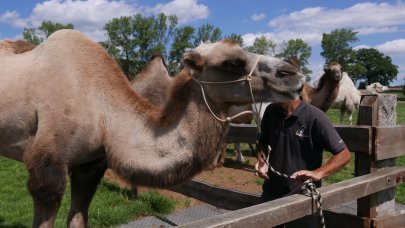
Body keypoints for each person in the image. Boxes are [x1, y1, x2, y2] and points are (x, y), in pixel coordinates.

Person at [255, 97, 351, 228]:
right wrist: (262, 161)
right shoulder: (271, 111)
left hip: (303, 198)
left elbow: (344, 154)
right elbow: (262, 142)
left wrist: (318, 173)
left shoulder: (315, 116)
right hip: (270, 195)